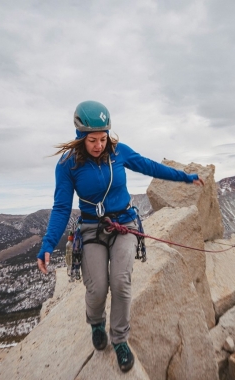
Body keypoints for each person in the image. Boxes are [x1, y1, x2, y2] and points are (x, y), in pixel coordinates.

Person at [37, 100, 204, 372]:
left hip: (124, 224)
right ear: (81, 137)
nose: (99, 145)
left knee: (122, 282)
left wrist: (185, 177)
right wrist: (47, 243)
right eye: (92, 140)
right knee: (97, 288)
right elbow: (61, 207)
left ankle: (120, 340)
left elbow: (150, 167)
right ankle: (95, 322)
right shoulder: (68, 165)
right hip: (92, 229)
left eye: (103, 138)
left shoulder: (118, 152)